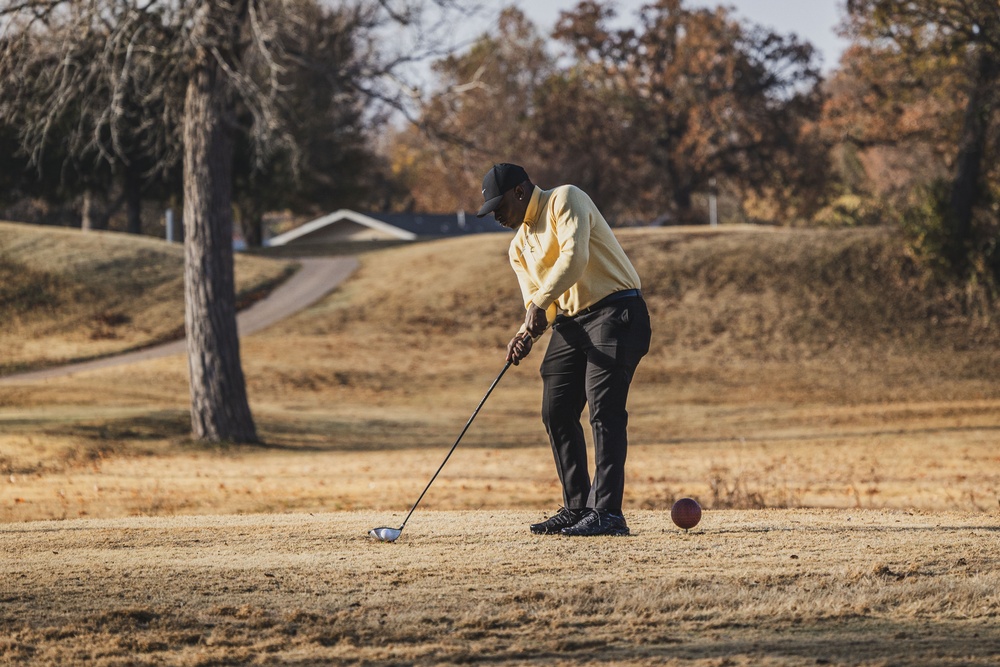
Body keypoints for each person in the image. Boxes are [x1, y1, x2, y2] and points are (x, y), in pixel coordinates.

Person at [476, 163, 651, 537]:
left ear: (520, 192)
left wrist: (538, 306)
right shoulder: (518, 248)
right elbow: (541, 309)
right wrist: (526, 333)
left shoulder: (564, 199)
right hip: (572, 322)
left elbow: (575, 259)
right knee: (556, 409)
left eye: (499, 207)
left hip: (616, 310)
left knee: (604, 409)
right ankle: (577, 506)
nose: (497, 217)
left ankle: (607, 513)